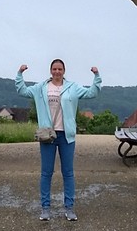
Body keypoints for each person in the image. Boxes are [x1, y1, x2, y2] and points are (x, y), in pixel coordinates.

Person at [16, 59, 102, 221]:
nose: (57, 72)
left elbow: (92, 93)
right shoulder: (41, 88)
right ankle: (45, 208)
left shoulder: (73, 87)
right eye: (54, 69)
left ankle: (69, 208)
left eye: (60, 69)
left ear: (64, 71)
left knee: (68, 173)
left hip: (66, 135)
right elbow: (22, 90)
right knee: (46, 173)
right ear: (51, 70)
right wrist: (20, 73)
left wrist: (96, 76)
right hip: (47, 135)